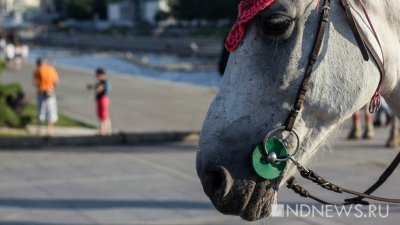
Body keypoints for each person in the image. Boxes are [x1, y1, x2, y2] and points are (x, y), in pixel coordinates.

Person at [33, 58, 59, 136]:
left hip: (41, 91)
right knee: (51, 111)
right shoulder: (52, 70)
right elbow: (56, 82)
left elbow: (35, 81)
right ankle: (50, 130)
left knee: (41, 110)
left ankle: (39, 129)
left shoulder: (39, 70)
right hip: (50, 92)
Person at [88, 68, 112, 136]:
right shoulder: (103, 82)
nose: (96, 76)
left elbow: (99, 89)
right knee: (104, 115)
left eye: (97, 74)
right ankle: (106, 131)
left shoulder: (102, 82)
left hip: (102, 100)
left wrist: (95, 88)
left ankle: (103, 131)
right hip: (104, 99)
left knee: (103, 116)